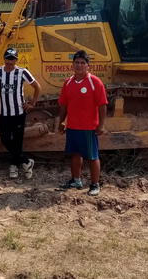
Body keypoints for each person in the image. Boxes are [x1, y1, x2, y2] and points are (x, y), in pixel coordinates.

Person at [0, 48, 41, 179]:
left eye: (12, 59)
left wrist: (32, 103)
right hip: (4, 113)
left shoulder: (22, 72)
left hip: (19, 113)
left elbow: (37, 87)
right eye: (8, 58)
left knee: (17, 141)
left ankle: (14, 166)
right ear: (4, 58)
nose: (10, 61)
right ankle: (26, 162)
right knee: (5, 139)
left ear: (16, 60)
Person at [57, 50, 108, 196]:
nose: (79, 65)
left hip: (89, 127)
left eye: (82, 63)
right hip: (72, 126)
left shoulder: (95, 82)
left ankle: (95, 184)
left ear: (88, 66)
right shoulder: (68, 83)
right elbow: (63, 105)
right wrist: (61, 122)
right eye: (77, 63)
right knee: (75, 154)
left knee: (92, 156)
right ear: (72, 65)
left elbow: (102, 105)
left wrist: (101, 125)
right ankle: (76, 180)